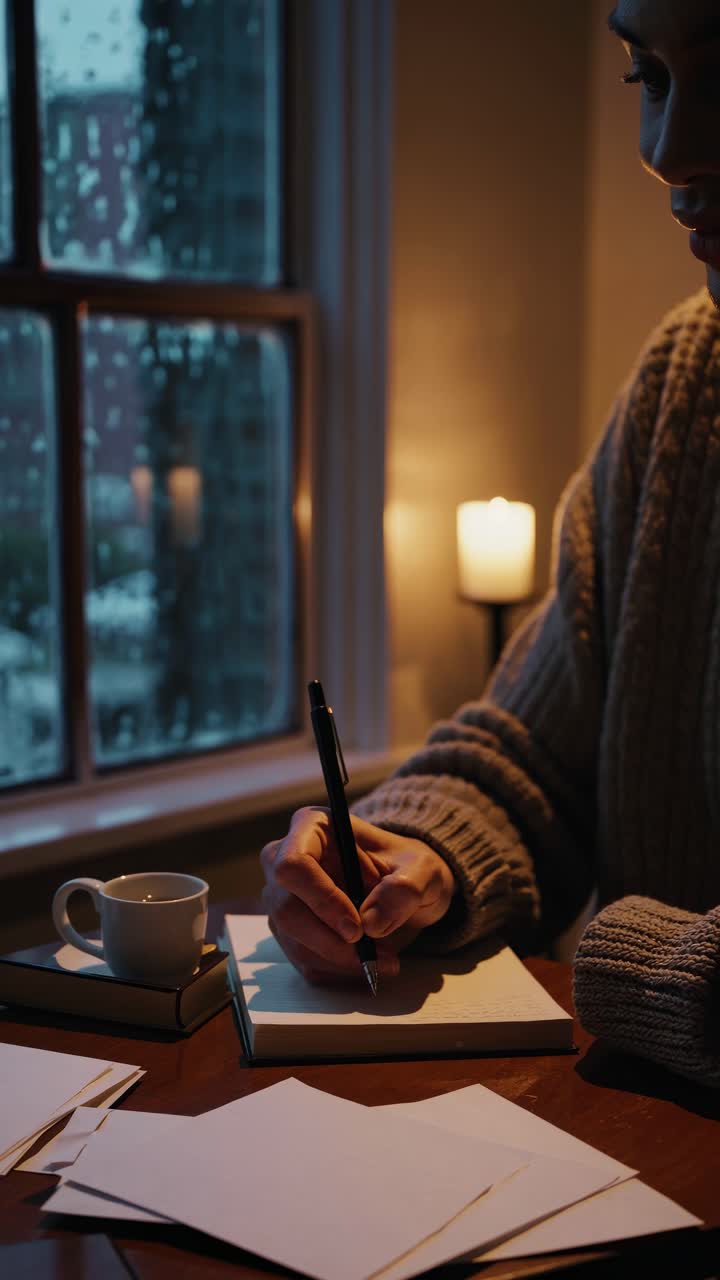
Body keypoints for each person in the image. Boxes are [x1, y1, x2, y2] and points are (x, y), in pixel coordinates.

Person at [261, 0, 720, 1087]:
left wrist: (629, 959)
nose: (668, 151)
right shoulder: (685, 386)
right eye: (646, 77)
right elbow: (532, 762)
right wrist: (415, 853)